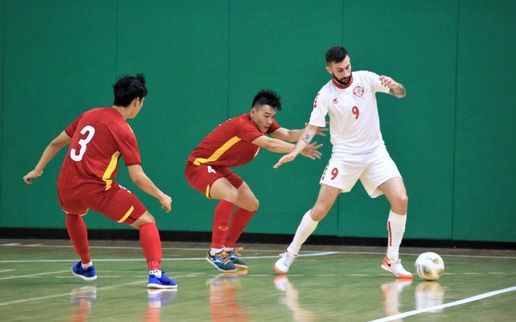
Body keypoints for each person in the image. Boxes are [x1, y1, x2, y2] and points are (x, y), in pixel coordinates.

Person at [23, 74, 177, 289]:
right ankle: (156, 274)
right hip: (97, 190)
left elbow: (56, 143)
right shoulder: (124, 130)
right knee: (147, 221)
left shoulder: (89, 114)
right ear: (137, 101)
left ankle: (86, 266)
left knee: (73, 213)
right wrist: (161, 196)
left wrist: (37, 169)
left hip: (66, 185)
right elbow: (137, 177)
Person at [273, 46, 412, 279]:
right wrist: (296, 151)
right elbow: (312, 127)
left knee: (401, 199)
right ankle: (290, 253)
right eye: (339, 69)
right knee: (320, 209)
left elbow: (401, 94)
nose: (346, 72)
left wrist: (396, 86)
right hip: (345, 157)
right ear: (329, 70)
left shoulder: (366, 78)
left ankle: (392, 259)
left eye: (347, 66)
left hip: (376, 153)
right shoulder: (325, 94)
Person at [185, 89, 324, 272]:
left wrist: (308, 131)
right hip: (199, 166)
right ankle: (215, 251)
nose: (269, 121)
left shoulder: (264, 124)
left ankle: (227, 249)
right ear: (253, 112)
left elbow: (288, 133)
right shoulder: (243, 125)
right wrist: (299, 150)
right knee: (230, 194)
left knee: (250, 204)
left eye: (272, 116)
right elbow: (270, 144)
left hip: (217, 167)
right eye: (266, 115)